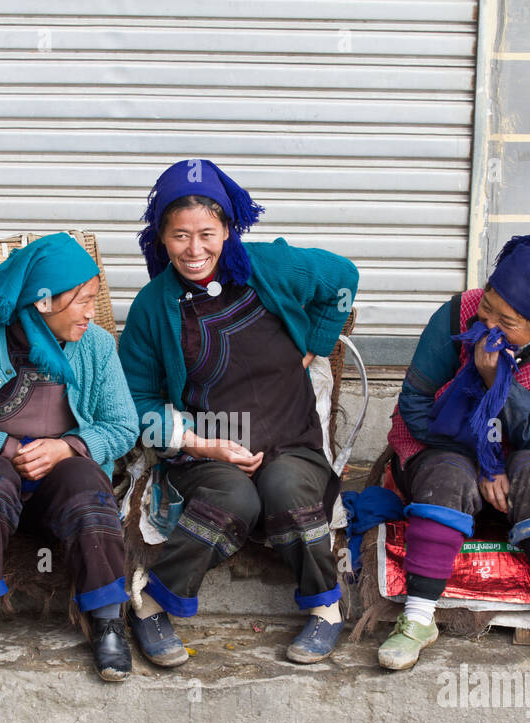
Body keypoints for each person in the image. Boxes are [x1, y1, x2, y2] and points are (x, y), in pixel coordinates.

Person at [117, 158, 359, 665]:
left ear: (228, 229)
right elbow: (137, 401)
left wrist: (313, 344)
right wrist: (202, 444)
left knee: (286, 487)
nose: (195, 249)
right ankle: (152, 603)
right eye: (180, 235)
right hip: (208, 447)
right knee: (234, 499)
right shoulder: (150, 308)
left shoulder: (270, 267)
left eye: (207, 233)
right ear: (161, 236)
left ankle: (325, 609)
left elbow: (342, 277)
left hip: (290, 437)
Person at [0, 233, 140, 681]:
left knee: (85, 481)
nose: (93, 312)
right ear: (42, 303)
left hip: (60, 486)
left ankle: (107, 618)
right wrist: (5, 447)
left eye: (95, 299)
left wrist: (65, 447)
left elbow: (123, 425)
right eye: (82, 301)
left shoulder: (96, 346)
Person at [382, 235, 530, 671]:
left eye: (506, 321)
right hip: (442, 437)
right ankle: (416, 619)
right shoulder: (457, 312)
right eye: (487, 305)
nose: (486, 323)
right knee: (447, 475)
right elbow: (415, 404)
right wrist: (484, 461)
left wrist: (495, 384)